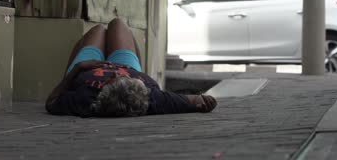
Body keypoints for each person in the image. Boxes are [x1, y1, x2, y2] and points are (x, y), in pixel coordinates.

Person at [46, 18, 217, 117]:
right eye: (135, 79)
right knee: (118, 24)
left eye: (117, 78)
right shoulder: (155, 99)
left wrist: (77, 69)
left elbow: (51, 102)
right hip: (128, 65)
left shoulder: (85, 99)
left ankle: (89, 51)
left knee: (98, 30)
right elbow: (197, 101)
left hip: (87, 70)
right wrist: (205, 102)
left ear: (108, 83)